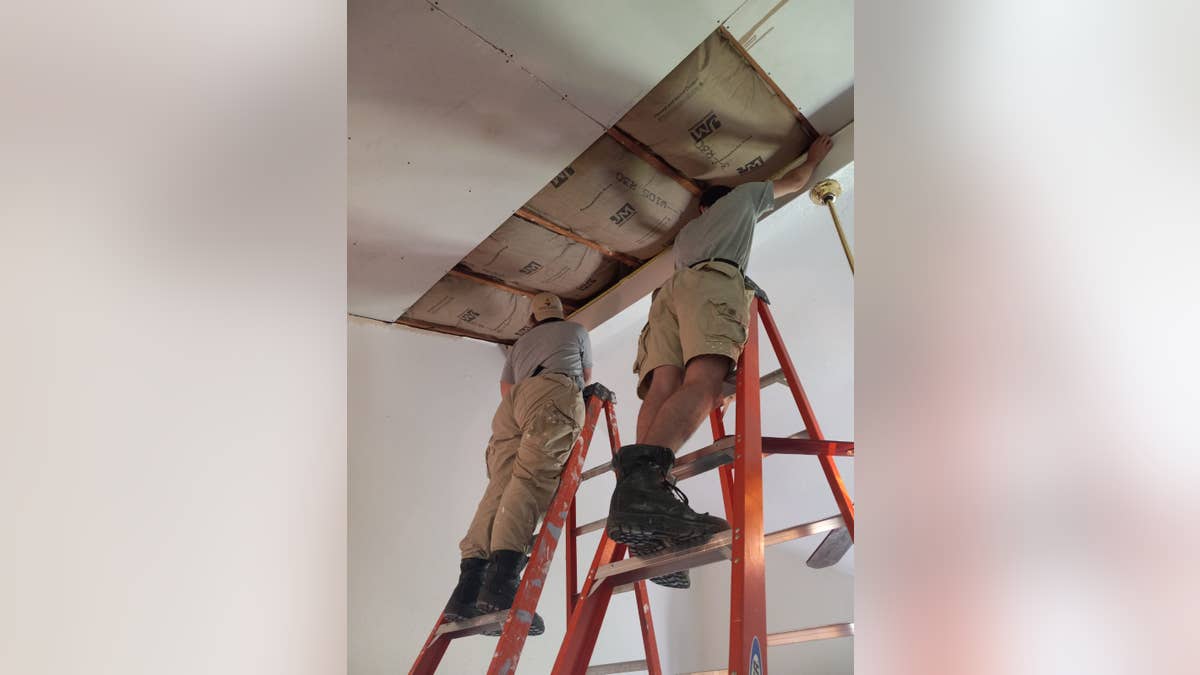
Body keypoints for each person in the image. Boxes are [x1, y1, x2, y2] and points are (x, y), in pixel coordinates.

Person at [605, 135, 835, 588]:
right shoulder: (744, 199)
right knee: (707, 381)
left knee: (663, 387)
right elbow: (794, 180)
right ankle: (647, 491)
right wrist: (815, 157)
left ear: (700, 212)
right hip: (713, 282)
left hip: (667, 297)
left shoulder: (686, 236)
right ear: (724, 202)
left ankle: (635, 494)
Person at [441, 292, 593, 636]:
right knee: (530, 480)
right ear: (560, 312)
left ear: (535, 318)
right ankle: (500, 585)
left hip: (512, 405)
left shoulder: (521, 343)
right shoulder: (576, 330)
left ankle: (467, 590)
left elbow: (505, 387)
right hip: (555, 388)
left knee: (498, 489)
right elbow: (584, 373)